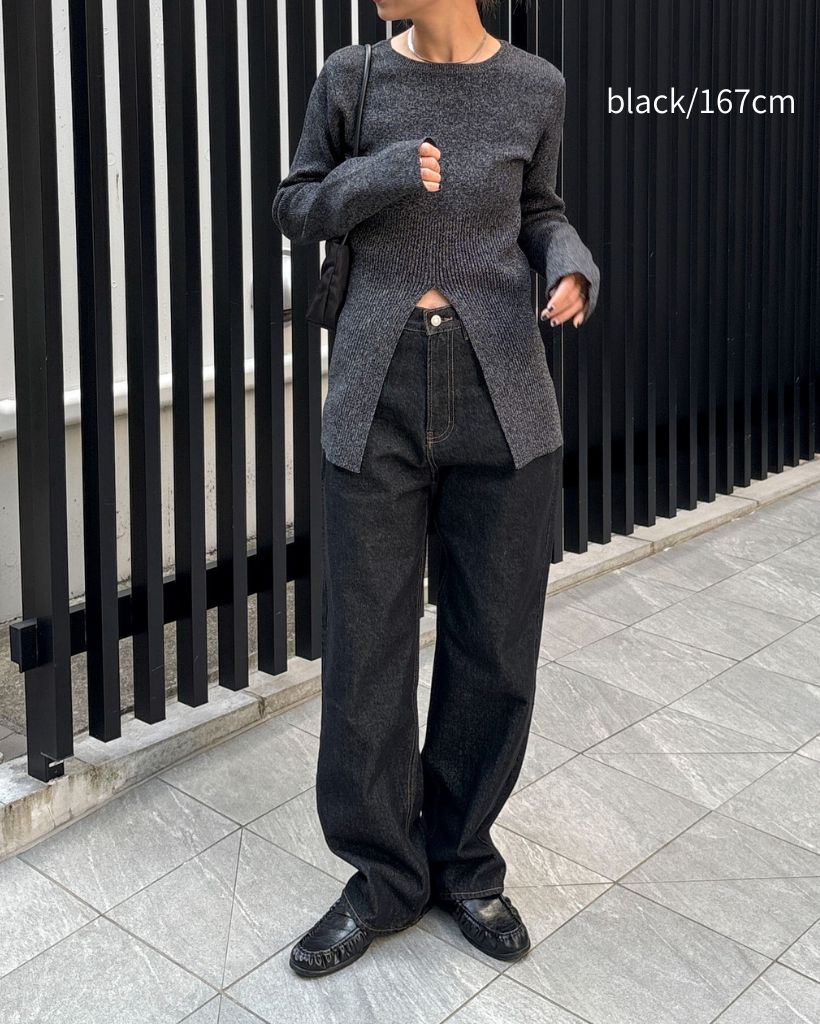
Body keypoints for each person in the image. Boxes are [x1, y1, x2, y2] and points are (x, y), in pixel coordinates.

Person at [272, 0, 600, 978]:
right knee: (365, 650)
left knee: (493, 647)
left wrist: (569, 259)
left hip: (504, 397)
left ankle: (462, 862)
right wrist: (375, 175)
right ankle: (382, 877)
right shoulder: (351, 76)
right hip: (375, 392)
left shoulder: (536, 87)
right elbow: (294, 204)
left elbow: (538, 210)